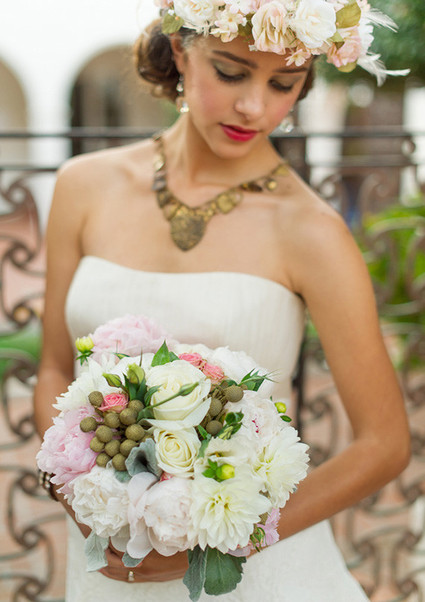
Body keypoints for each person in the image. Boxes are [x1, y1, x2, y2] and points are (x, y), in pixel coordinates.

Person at [34, 1, 410, 600]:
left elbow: (383, 443)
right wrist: (78, 495)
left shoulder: (312, 231)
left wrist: (227, 540)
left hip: (254, 574)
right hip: (106, 556)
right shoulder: (83, 187)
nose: (255, 107)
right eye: (231, 72)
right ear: (180, 51)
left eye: (283, 83)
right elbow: (56, 367)